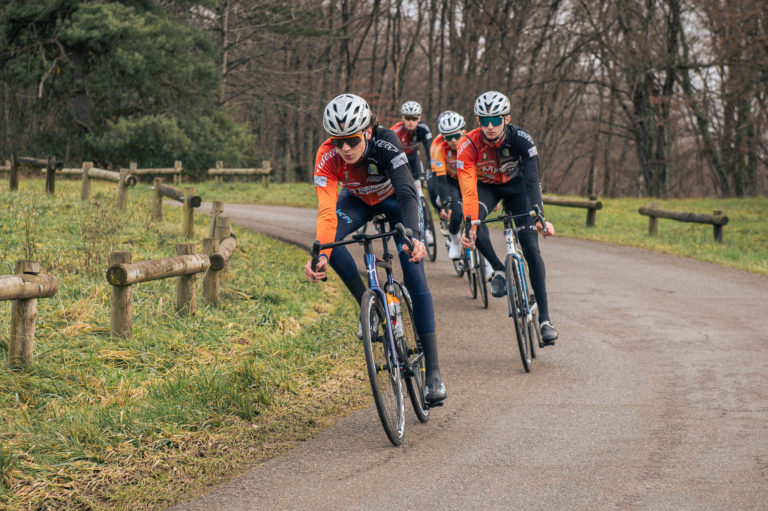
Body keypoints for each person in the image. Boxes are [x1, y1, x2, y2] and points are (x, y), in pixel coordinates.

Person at [304, 93, 447, 403]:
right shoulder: (327, 155)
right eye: (338, 140)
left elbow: (409, 193)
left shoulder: (387, 141)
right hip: (356, 202)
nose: (345, 148)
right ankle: (369, 308)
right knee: (329, 243)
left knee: (414, 270)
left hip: (396, 201)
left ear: (367, 130)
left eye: (352, 140)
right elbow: (327, 212)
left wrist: (414, 237)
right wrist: (322, 256)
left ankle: (433, 371)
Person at [456, 91, 558, 345]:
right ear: (478, 121)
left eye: (496, 120)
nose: (490, 126)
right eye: (484, 121)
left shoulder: (522, 138)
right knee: (472, 222)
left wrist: (539, 215)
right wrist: (469, 223)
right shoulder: (467, 144)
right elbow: (468, 189)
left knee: (532, 249)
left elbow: (534, 179)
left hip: (518, 188)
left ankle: (545, 320)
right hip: (487, 189)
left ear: (507, 118)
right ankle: (499, 269)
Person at [391, 101, 435, 244]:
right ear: (402, 118)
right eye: (408, 118)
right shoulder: (395, 131)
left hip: (415, 162)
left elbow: (430, 151)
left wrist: (431, 166)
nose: (411, 122)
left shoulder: (423, 129)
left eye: (414, 118)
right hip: (400, 163)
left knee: (420, 195)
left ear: (419, 118)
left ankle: (427, 230)